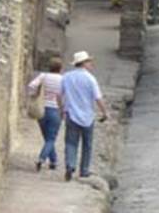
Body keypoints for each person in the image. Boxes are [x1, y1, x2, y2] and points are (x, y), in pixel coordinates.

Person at [60, 50, 108, 181]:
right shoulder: (90, 79)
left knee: (70, 142)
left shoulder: (67, 77)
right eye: (89, 61)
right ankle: (84, 170)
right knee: (87, 144)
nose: (91, 64)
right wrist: (104, 112)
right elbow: (98, 98)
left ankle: (70, 165)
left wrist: (61, 109)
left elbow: (60, 95)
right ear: (84, 63)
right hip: (87, 116)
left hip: (71, 114)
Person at [28, 57, 64, 172]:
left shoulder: (43, 76)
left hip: (42, 109)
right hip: (55, 110)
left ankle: (53, 161)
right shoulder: (63, 80)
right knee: (51, 138)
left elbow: (32, 86)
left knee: (47, 137)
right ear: (60, 68)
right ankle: (41, 158)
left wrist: (34, 95)